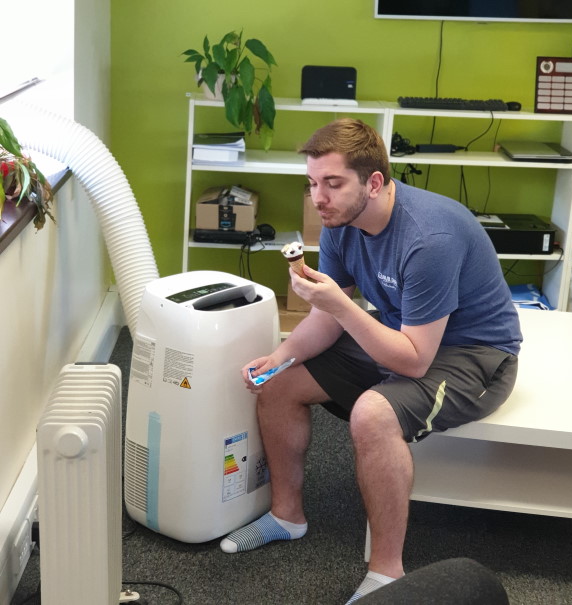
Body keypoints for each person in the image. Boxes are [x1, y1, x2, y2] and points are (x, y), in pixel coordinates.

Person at [219, 118, 522, 604]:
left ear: (374, 182)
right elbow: (328, 319)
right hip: (404, 333)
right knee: (280, 383)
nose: (319, 197)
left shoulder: (430, 238)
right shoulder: (343, 222)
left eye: (332, 183)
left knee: (373, 415)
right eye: (313, 183)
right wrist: (277, 358)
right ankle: (286, 515)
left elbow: (415, 361)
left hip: (472, 355)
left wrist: (340, 306)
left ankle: (386, 574)